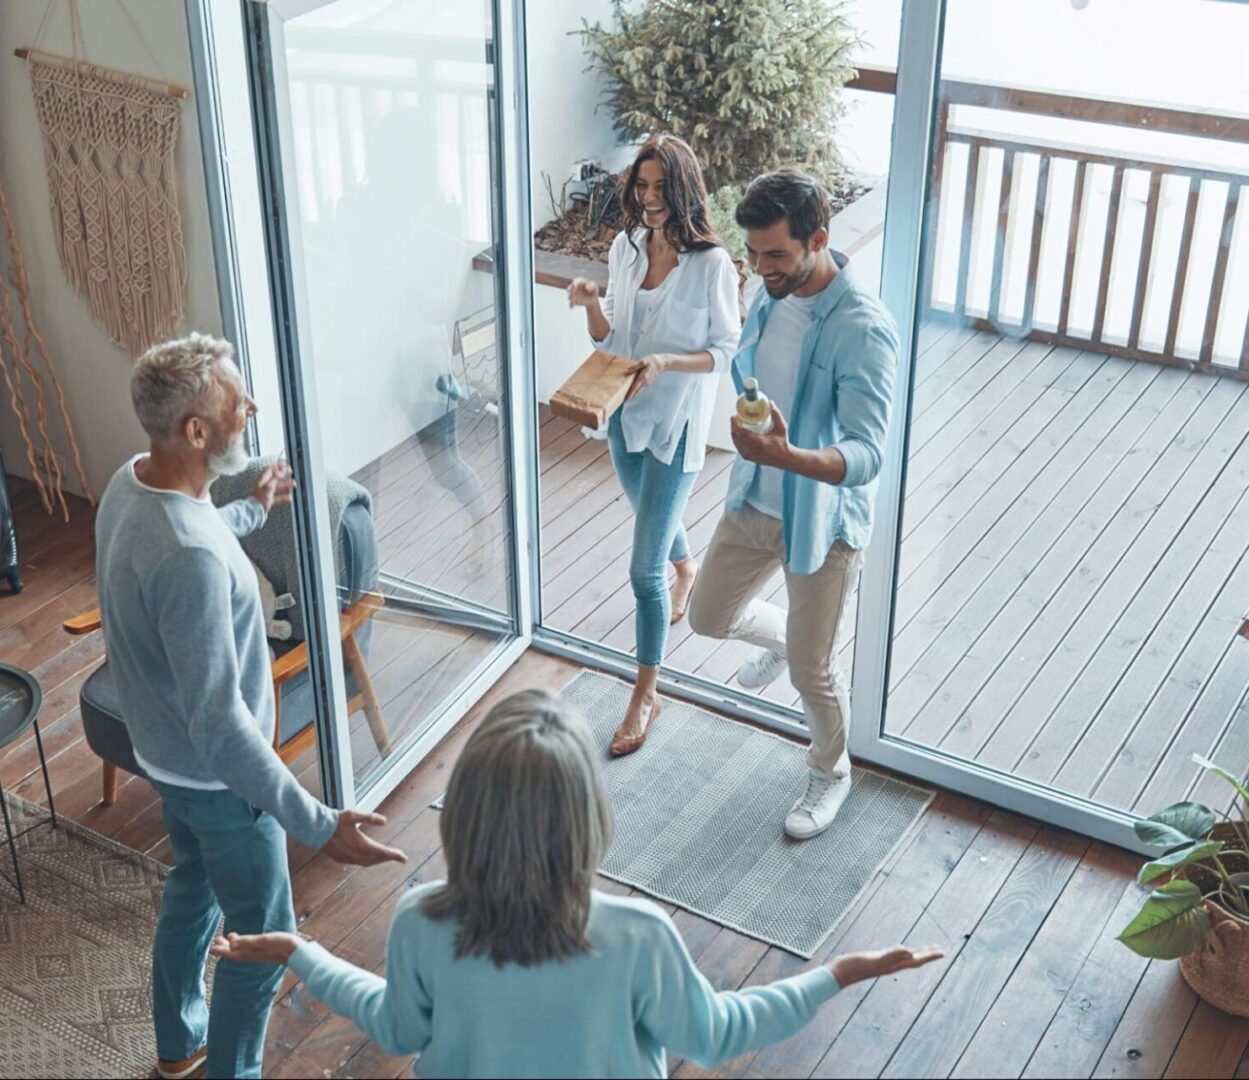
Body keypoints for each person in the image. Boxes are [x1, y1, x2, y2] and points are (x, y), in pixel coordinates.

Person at [208, 689, 942, 1079]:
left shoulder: (419, 919)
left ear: (461, 813)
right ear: (587, 816)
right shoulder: (636, 936)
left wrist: (303, 954)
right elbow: (718, 1034)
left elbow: (398, 1028)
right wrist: (835, 974)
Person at [94, 333, 408, 1080]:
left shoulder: (129, 484)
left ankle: (177, 1049)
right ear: (196, 432)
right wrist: (317, 823)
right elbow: (221, 722)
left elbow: (183, 545)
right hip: (218, 783)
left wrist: (247, 511)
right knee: (266, 940)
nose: (251, 407)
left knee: (192, 890)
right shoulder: (190, 557)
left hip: (163, 757)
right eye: (237, 402)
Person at [686, 169, 899, 840]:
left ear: (819, 239)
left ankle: (830, 771)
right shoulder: (769, 294)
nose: (759, 268)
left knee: (814, 674)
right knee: (706, 616)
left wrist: (789, 457)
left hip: (823, 524)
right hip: (754, 498)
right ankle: (793, 640)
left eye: (774, 255)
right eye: (752, 254)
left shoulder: (863, 330)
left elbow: (866, 454)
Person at [566, 134, 743, 757]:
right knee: (650, 518)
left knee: (643, 570)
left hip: (675, 430)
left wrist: (668, 361)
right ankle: (687, 564)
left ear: (683, 190)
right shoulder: (625, 246)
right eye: (640, 187)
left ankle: (646, 693)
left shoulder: (711, 265)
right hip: (622, 417)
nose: (648, 199)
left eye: (660, 188)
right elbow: (610, 332)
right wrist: (591, 306)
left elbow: (727, 349)